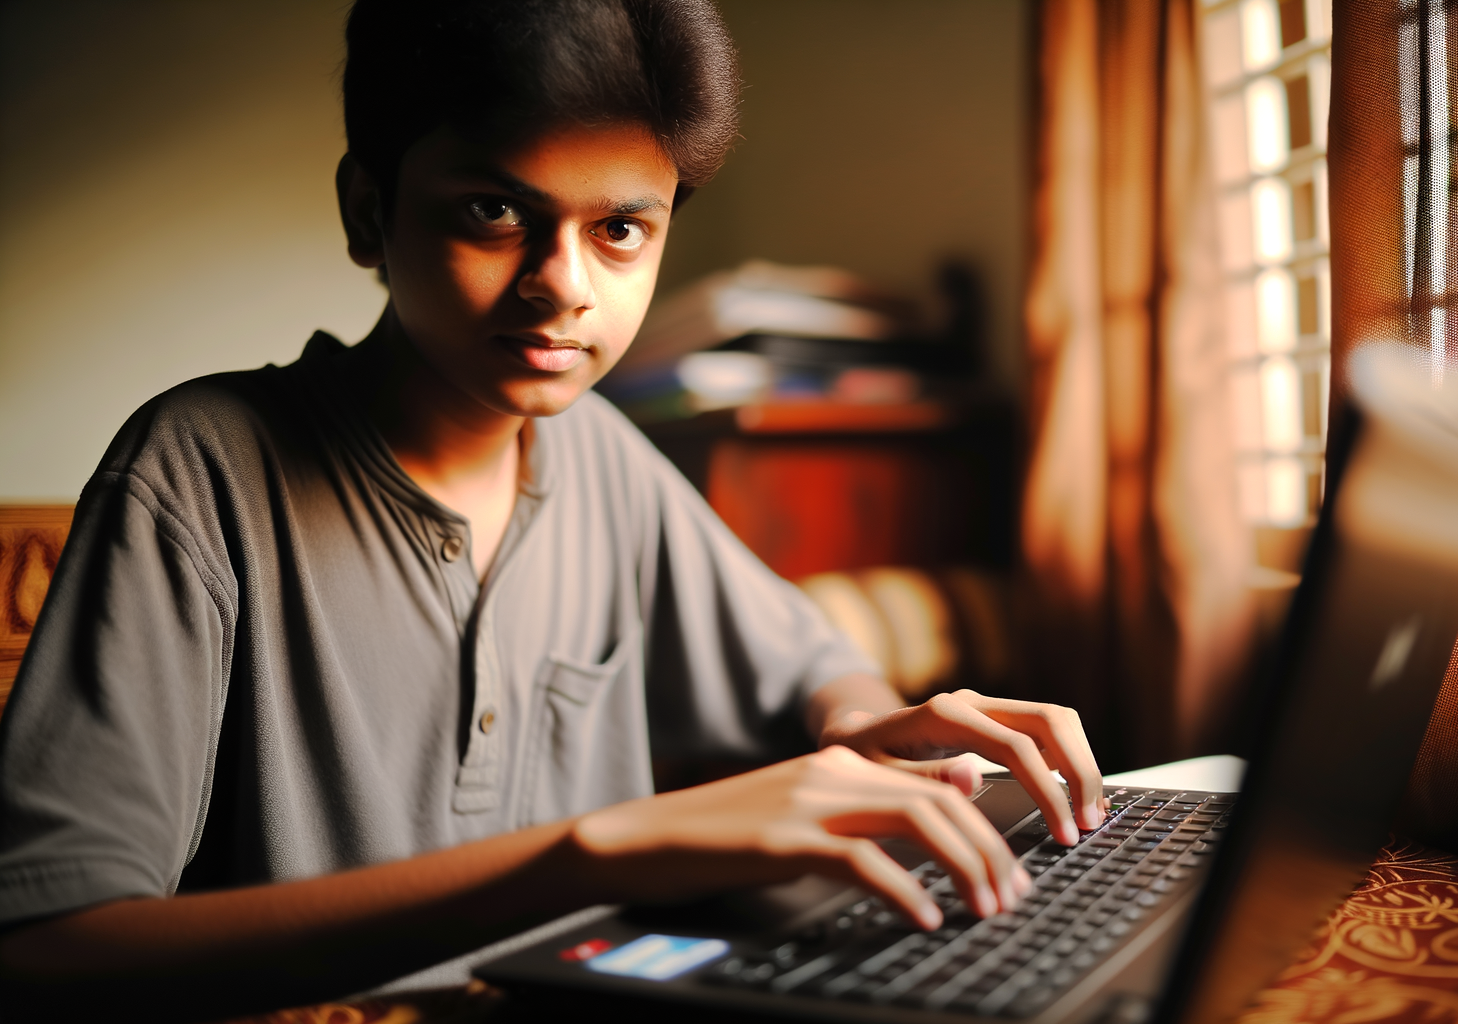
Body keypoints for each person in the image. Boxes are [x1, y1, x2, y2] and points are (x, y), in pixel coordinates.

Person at [0, 0, 1104, 1017]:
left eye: (621, 229)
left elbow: (814, 671)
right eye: (494, 211)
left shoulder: (603, 456)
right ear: (366, 211)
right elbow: (49, 948)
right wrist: (588, 855)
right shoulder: (197, 472)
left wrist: (860, 720)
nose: (563, 284)